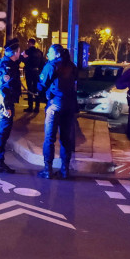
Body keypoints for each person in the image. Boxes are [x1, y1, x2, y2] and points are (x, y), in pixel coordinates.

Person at [37, 45, 79, 178]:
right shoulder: (71, 65)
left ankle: (47, 169)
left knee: (49, 138)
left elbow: (42, 84)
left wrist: (38, 89)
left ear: (56, 54)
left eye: (49, 52)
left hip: (55, 104)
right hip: (70, 105)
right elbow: (75, 80)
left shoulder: (51, 65)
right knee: (66, 139)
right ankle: (65, 170)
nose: (47, 55)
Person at [0, 40, 22, 173]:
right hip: (3, 102)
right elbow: (4, 88)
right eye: (19, 51)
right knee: (2, 132)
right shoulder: (7, 66)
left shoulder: (7, 63)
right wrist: (7, 107)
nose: (20, 52)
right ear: (15, 52)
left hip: (0, 101)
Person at [22, 38, 45, 112]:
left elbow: (22, 59)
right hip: (37, 72)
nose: (27, 44)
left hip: (29, 72)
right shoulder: (39, 52)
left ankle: (30, 106)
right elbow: (42, 63)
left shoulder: (27, 52)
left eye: (28, 43)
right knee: (36, 89)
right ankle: (37, 107)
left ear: (30, 43)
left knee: (29, 89)